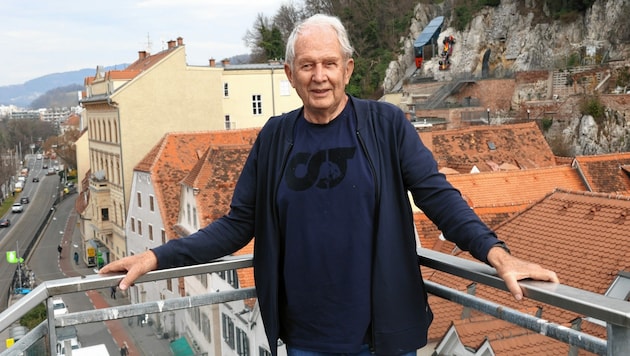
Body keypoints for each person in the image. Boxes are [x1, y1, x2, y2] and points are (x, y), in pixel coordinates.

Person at [100, 14, 559, 356]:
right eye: (307, 66)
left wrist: (496, 254)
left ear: (348, 69)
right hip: (306, 338)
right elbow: (238, 224)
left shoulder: (386, 124)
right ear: (290, 74)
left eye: (329, 63)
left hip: (384, 335)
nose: (319, 76)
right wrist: (158, 255)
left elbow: (438, 196)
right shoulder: (275, 138)